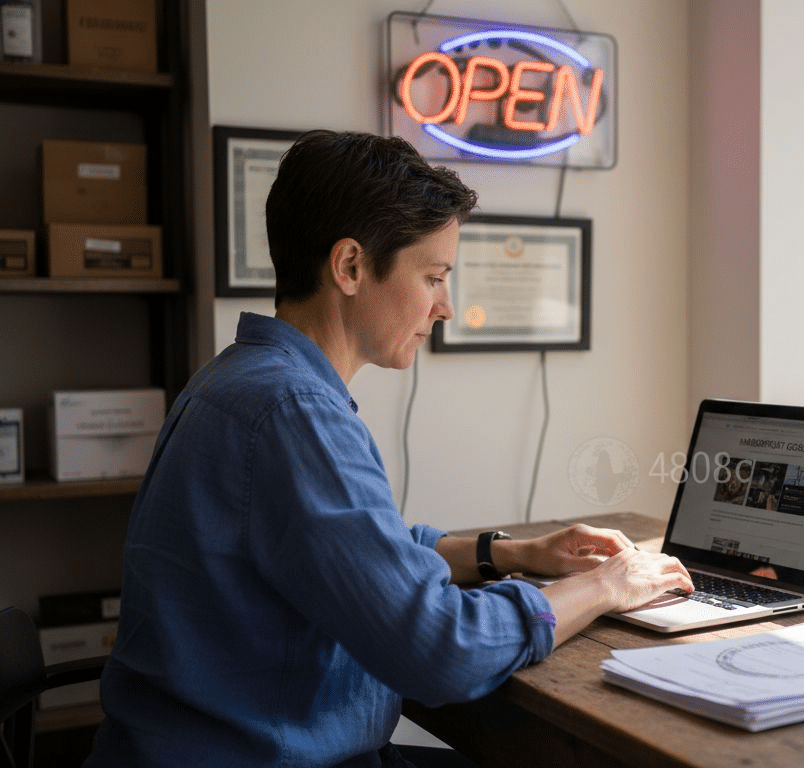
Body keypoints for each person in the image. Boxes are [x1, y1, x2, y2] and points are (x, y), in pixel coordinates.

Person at [83, 130, 693, 768]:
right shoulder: (295, 413)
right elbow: (439, 650)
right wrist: (607, 587)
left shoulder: (237, 381)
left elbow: (355, 556)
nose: (446, 307)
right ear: (350, 266)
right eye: (433, 277)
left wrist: (511, 553)